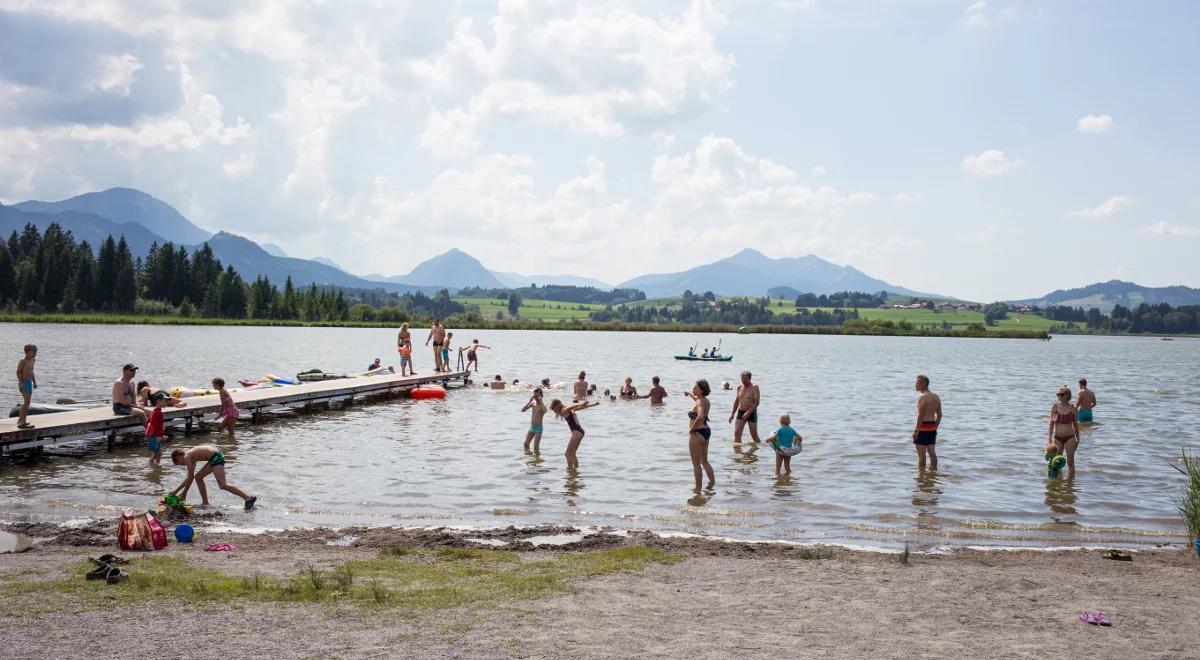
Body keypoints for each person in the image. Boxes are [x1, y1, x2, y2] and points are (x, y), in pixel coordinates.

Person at [168, 445, 256, 510]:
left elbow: (190, 477)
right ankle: (205, 503)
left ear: (177, 456)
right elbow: (189, 478)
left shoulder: (187, 456)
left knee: (222, 484)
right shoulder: (191, 457)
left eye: (179, 463)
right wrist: (175, 491)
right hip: (213, 458)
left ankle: (248, 498)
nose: (183, 464)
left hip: (216, 457)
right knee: (198, 477)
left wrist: (184, 494)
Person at [683, 380, 715, 491]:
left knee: (696, 464)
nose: (693, 389)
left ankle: (698, 490)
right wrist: (690, 394)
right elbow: (698, 402)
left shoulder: (700, 402)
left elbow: (700, 416)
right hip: (706, 431)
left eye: (696, 388)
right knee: (704, 461)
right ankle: (712, 484)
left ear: (701, 390)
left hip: (697, 433)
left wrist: (692, 429)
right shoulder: (705, 400)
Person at [550, 398, 599, 469]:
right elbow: (581, 407)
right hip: (580, 431)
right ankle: (576, 470)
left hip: (576, 432)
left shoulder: (564, 410)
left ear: (557, 406)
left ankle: (570, 470)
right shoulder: (568, 410)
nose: (554, 411)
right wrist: (593, 404)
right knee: (572, 454)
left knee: (567, 454)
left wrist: (582, 403)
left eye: (554, 409)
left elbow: (573, 406)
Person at [1047, 385, 1080, 477]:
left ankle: (1071, 484)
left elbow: (1076, 425)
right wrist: (1049, 439)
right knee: (1056, 462)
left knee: (1070, 462)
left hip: (1070, 437)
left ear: (1067, 396)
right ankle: (1058, 481)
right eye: (1058, 395)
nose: (1059, 397)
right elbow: (1051, 424)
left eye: (1061, 394)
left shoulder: (1073, 409)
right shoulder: (1054, 408)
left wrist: (1078, 439)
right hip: (1057, 438)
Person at [912, 374, 942, 471]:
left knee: (921, 455)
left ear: (923, 384)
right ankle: (933, 473)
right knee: (932, 453)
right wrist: (935, 427)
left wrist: (916, 431)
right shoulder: (936, 397)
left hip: (923, 427)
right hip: (932, 427)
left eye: (917, 383)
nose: (915, 385)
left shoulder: (922, 397)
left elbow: (921, 415)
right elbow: (939, 414)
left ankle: (921, 477)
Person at [729, 371, 760, 444]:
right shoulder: (739, 387)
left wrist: (748, 413)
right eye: (742, 379)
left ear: (750, 378)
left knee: (754, 436)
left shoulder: (755, 387)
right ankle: (737, 452)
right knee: (737, 434)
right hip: (741, 412)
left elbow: (757, 402)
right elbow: (737, 401)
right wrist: (732, 414)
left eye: (745, 379)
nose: (743, 381)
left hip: (751, 413)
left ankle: (758, 449)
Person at [15, 344, 37, 430]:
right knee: (26, 402)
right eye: (33, 351)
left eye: (36, 351)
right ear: (27, 352)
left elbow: (31, 372)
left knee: (27, 403)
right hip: (23, 383)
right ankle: (21, 422)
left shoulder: (33, 360)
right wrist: (20, 382)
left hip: (29, 383)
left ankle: (22, 421)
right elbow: (18, 372)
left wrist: (34, 382)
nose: (35, 353)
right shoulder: (22, 361)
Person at [522, 388, 548, 452]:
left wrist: (541, 401)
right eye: (534, 396)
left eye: (537, 396)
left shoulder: (543, 406)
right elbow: (523, 410)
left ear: (541, 396)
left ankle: (537, 460)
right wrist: (529, 402)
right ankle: (530, 458)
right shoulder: (533, 404)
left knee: (536, 448)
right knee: (526, 444)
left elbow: (545, 411)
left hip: (538, 428)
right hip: (532, 427)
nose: (535, 398)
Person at [145, 392, 167, 466]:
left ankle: (157, 466)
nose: (166, 402)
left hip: (154, 435)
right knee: (154, 453)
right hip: (155, 436)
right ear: (158, 401)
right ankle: (149, 465)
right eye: (164, 401)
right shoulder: (158, 413)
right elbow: (155, 425)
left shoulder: (155, 411)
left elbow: (149, 422)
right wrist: (159, 436)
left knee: (158, 452)